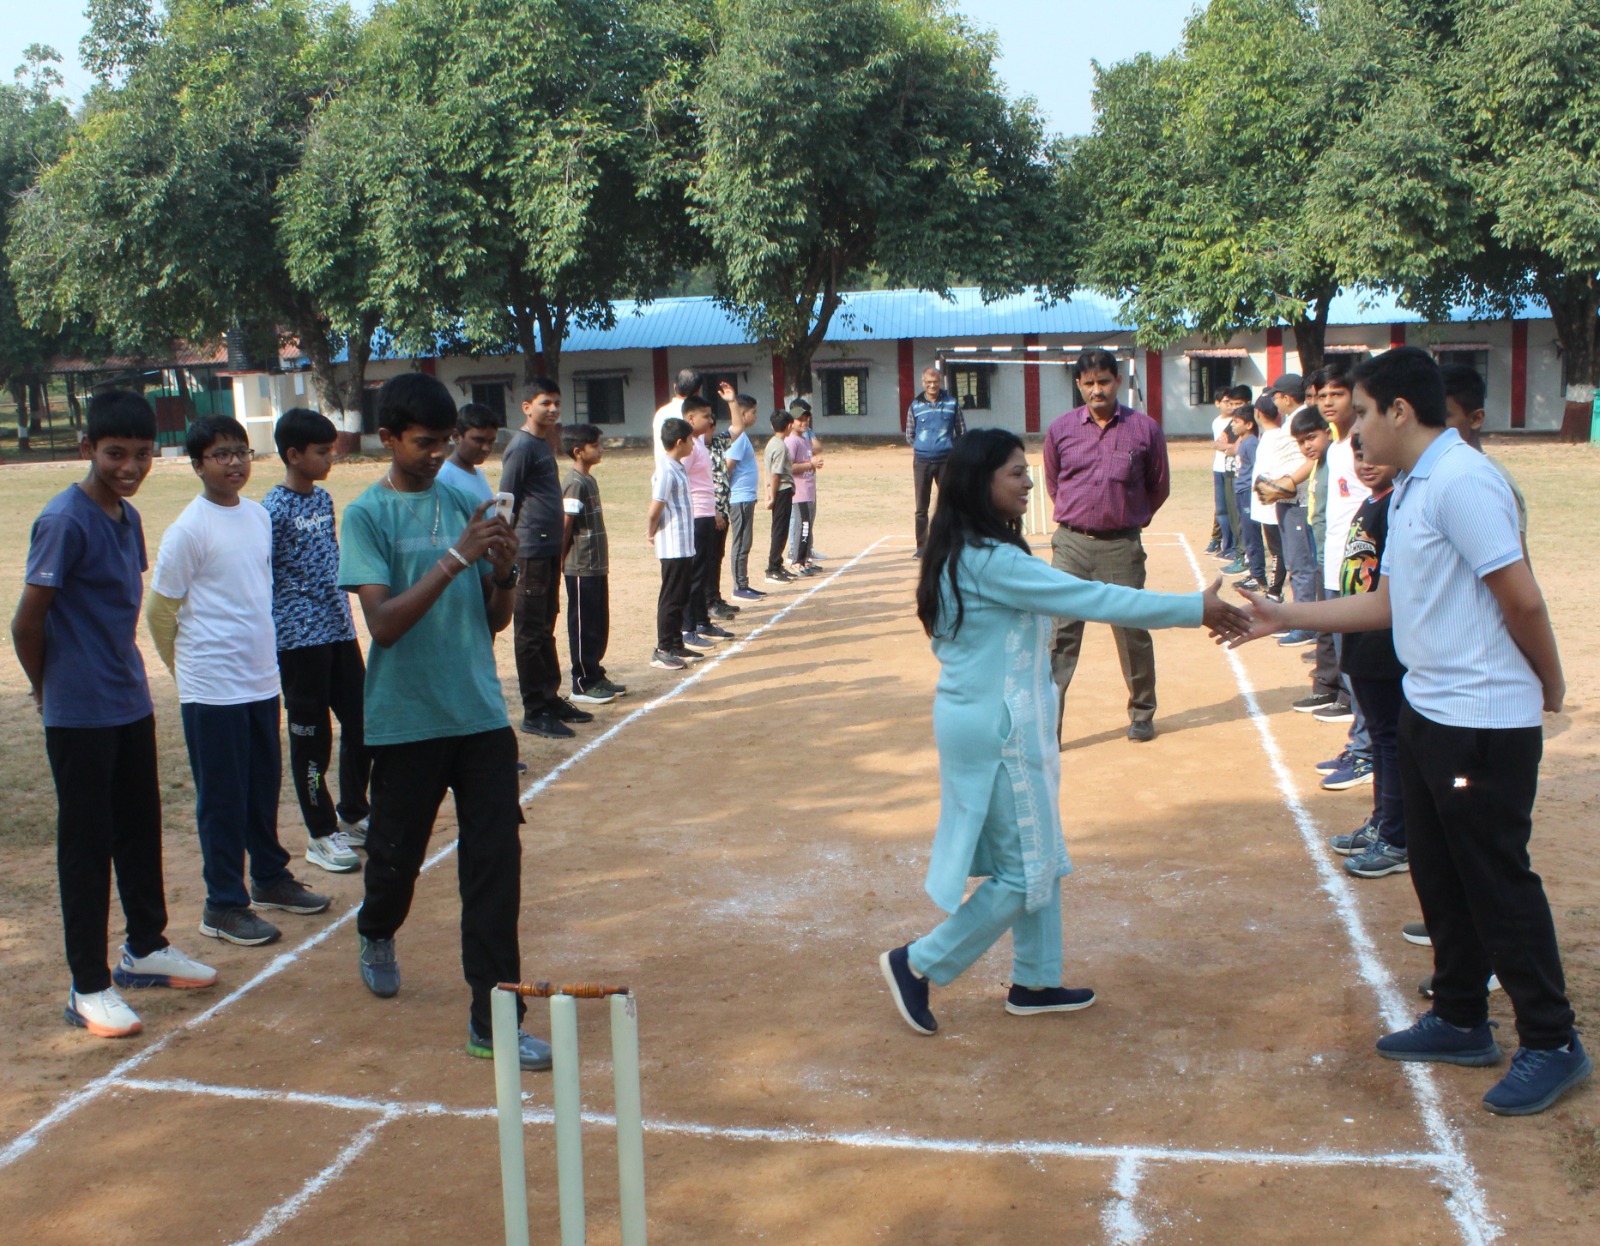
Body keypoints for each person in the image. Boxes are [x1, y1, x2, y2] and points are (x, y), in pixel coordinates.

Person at [1229, 346, 1588, 1116]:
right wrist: (1283, 615)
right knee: (1439, 871)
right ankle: (1460, 1018)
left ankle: (1552, 1039)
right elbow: (1386, 605)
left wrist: (1551, 683)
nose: (1354, 429)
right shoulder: (1412, 488)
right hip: (1430, 710)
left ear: (1400, 410)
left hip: (1481, 722)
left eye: (1362, 412)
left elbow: (1521, 598)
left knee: (1493, 879)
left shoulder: (1464, 482)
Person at [879, 429, 1246, 1035]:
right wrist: (1191, 608)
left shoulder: (967, 548)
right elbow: (1091, 598)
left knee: (1039, 852)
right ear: (980, 483)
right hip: (1000, 726)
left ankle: (1036, 980)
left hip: (998, 717)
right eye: (1015, 472)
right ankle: (919, 963)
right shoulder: (991, 560)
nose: (1029, 482)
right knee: (1024, 870)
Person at [339, 371, 551, 1072]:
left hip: (479, 715)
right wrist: (458, 556)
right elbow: (384, 624)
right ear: (388, 438)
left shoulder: (465, 499)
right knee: (395, 858)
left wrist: (505, 574)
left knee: (494, 866)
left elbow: (493, 621)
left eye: (444, 442)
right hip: (406, 720)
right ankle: (376, 927)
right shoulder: (367, 515)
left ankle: (494, 1021)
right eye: (423, 443)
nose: (437, 455)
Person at [12, 390, 217, 1038]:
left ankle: (145, 948)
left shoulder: (127, 517)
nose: (130, 467)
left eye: (142, 454)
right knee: (87, 844)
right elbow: (27, 622)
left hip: (129, 700)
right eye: (115, 454)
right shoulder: (63, 520)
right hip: (79, 712)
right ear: (88, 450)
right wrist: (46, 691)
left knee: (138, 827)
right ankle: (88, 985)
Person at [148, 416, 330, 948]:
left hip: (259, 680)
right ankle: (223, 905)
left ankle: (269, 877)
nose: (234, 463)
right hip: (212, 689)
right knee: (222, 799)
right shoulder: (189, 529)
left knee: (261, 788)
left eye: (241, 452)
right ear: (197, 465)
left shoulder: (257, 516)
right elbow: (159, 612)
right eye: (220, 454)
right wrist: (187, 673)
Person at [1042, 348, 1171, 743]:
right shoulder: (1061, 429)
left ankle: (1142, 714)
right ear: (1078, 385)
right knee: (1060, 637)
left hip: (1121, 548)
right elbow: (1053, 482)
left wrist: (1127, 518)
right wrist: (1081, 518)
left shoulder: (1144, 429)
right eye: (1088, 383)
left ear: (1117, 381)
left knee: (1132, 632)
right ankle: (1048, 727)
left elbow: (1158, 486)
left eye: (1103, 381)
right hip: (1071, 547)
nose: (1096, 390)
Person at [264, 408, 371, 875]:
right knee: (313, 738)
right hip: (298, 639)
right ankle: (320, 832)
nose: (331, 458)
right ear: (293, 455)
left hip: (338, 629)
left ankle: (354, 812)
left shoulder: (323, 500)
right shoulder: (271, 510)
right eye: (322, 451)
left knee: (363, 721)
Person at [1326, 442, 1407, 879]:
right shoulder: (1371, 502)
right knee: (1380, 740)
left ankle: (1396, 837)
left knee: (1390, 743)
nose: (1366, 464)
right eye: (1358, 456)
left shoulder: (1397, 505)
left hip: (1383, 643)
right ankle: (1382, 823)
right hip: (1361, 638)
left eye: (1375, 455)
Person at [502, 378, 592, 740]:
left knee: (545, 626)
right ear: (527, 407)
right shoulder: (521, 447)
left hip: (550, 548)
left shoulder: (543, 442)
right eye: (545, 403)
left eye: (556, 403)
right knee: (529, 631)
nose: (553, 409)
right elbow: (507, 499)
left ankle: (550, 698)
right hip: (529, 551)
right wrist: (505, 549)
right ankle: (534, 709)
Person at [1314, 361, 1375, 790]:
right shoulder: (1336, 447)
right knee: (1348, 662)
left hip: (1359, 570)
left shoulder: (1364, 444)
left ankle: (1367, 751)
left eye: (1337, 394)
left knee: (1359, 665)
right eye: (1322, 396)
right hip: (1335, 563)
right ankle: (1359, 743)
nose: (1328, 402)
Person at [560, 423, 624, 705]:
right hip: (580, 566)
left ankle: (595, 673)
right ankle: (582, 682)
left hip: (596, 564)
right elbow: (566, 524)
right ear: (578, 451)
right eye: (595, 445)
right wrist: (560, 560)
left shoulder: (589, 480)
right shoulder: (574, 483)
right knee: (583, 624)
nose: (601, 449)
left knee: (598, 622)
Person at [647, 418, 699, 671]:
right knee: (671, 597)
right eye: (690, 440)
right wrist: (650, 532)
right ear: (679, 442)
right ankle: (663, 648)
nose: (693, 444)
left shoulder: (678, 467)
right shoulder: (666, 470)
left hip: (684, 543)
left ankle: (676, 643)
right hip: (673, 544)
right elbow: (655, 508)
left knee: (681, 595)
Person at [680, 396, 728, 648]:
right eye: (705, 416)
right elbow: (681, 480)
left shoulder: (698, 443)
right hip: (696, 516)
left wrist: (715, 510)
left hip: (707, 513)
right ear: (690, 418)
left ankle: (702, 621)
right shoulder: (688, 447)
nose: (710, 421)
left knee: (705, 570)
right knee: (695, 574)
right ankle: (688, 629)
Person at [906, 366, 965, 557]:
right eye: (928, 382)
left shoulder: (951, 403)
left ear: (940, 382)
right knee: (921, 507)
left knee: (950, 503)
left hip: (946, 461)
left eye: (935, 382)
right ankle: (922, 547)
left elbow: (961, 431)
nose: (932, 386)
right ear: (923, 383)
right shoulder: (915, 405)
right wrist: (923, 446)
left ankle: (953, 544)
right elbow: (909, 434)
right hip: (922, 462)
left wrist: (950, 448)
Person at [720, 389, 765, 602]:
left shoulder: (741, 436)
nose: (755, 416)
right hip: (739, 499)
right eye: (753, 412)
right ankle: (739, 586)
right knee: (741, 542)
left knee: (745, 541)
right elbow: (728, 468)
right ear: (743, 413)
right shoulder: (737, 438)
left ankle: (743, 583)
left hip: (746, 497)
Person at [1229, 403, 1266, 590]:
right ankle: (1254, 571)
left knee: (1252, 535)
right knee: (1246, 532)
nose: (1232, 425)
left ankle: (1258, 576)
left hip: (1247, 493)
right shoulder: (1244, 441)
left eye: (1237, 422)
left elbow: (1258, 467)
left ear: (1249, 424)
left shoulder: (1251, 443)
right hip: (1241, 491)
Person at [436, 402, 500, 504]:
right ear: (456, 436)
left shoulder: (478, 473)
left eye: (491, 442)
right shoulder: (444, 477)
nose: (486, 448)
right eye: (479, 440)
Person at [785, 407, 823, 575]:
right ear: (791, 423)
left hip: (809, 491)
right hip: (799, 492)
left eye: (806, 419)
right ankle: (797, 561)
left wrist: (814, 463)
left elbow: (808, 461)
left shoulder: (805, 439)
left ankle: (806, 559)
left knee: (808, 525)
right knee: (802, 526)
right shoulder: (791, 441)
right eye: (800, 419)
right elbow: (789, 467)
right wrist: (810, 464)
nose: (804, 422)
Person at [764, 410, 797, 585]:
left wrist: (768, 492)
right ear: (789, 426)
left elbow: (768, 472)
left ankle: (778, 564)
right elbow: (775, 474)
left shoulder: (772, 443)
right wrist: (773, 495)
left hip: (778, 490)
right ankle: (773, 569)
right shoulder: (780, 447)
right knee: (780, 529)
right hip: (782, 491)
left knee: (780, 528)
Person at [653, 368, 702, 470]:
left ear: (675, 387)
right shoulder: (697, 414)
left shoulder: (661, 413)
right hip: (689, 474)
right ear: (698, 391)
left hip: (664, 471)